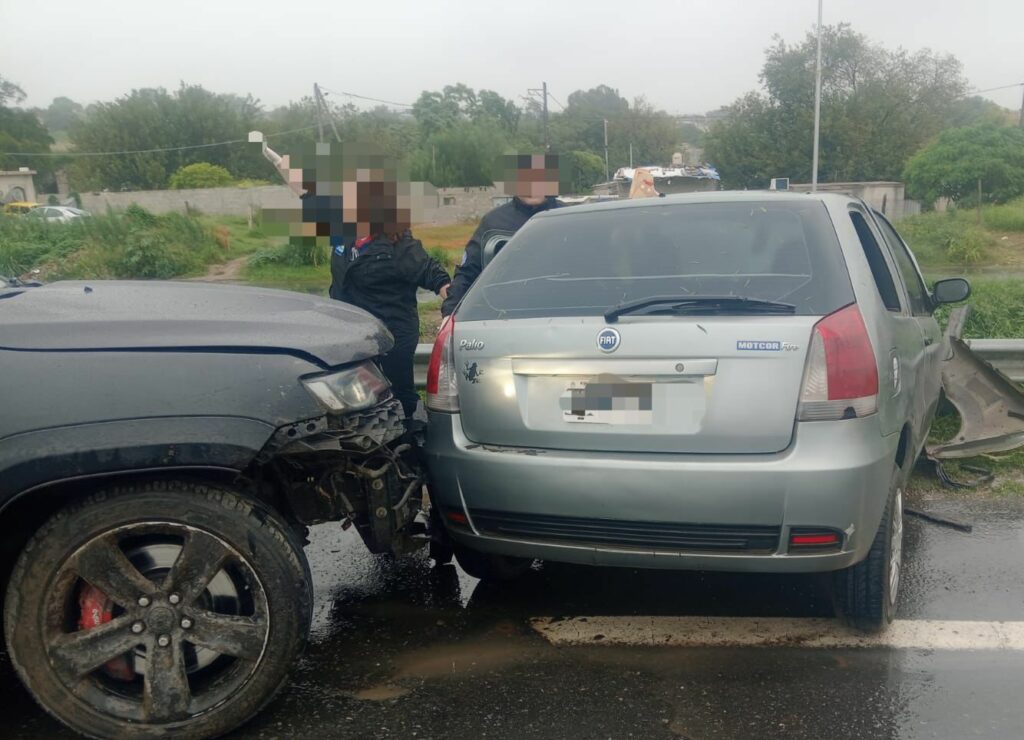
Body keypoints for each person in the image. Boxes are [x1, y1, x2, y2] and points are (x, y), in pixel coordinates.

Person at [253, 133, 450, 419]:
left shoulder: (400, 244)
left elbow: (438, 278)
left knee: (397, 395)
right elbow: (304, 191)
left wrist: (451, 308)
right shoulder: (341, 230)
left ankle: (408, 442)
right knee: (355, 400)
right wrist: (273, 157)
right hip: (350, 334)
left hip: (391, 337)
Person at [441, 153, 561, 316]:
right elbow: (468, 272)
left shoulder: (569, 217)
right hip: (505, 316)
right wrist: (449, 313)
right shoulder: (493, 223)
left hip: (561, 311)